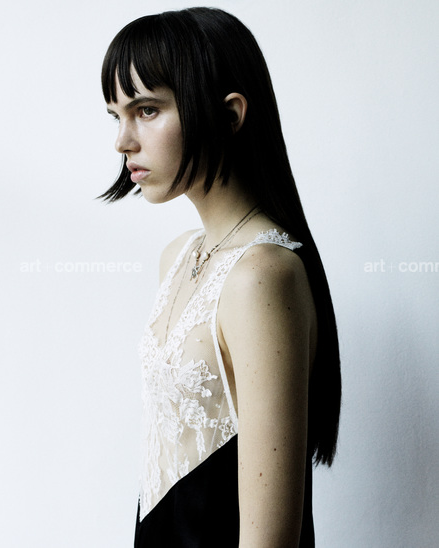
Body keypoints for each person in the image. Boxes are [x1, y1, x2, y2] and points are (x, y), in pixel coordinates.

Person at [100, 7, 341, 547]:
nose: (123, 141)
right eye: (116, 115)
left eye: (147, 110)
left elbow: (269, 539)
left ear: (230, 114)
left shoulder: (263, 276)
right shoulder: (178, 256)